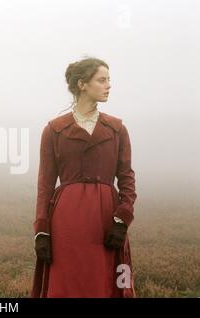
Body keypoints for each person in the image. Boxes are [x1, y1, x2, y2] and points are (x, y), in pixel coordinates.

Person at [30, 57, 137, 298]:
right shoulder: (54, 129)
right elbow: (45, 186)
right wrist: (42, 230)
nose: (108, 85)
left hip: (106, 218)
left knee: (104, 283)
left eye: (109, 80)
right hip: (66, 222)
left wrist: (122, 218)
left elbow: (127, 179)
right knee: (67, 284)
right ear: (82, 85)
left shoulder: (117, 129)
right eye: (102, 80)